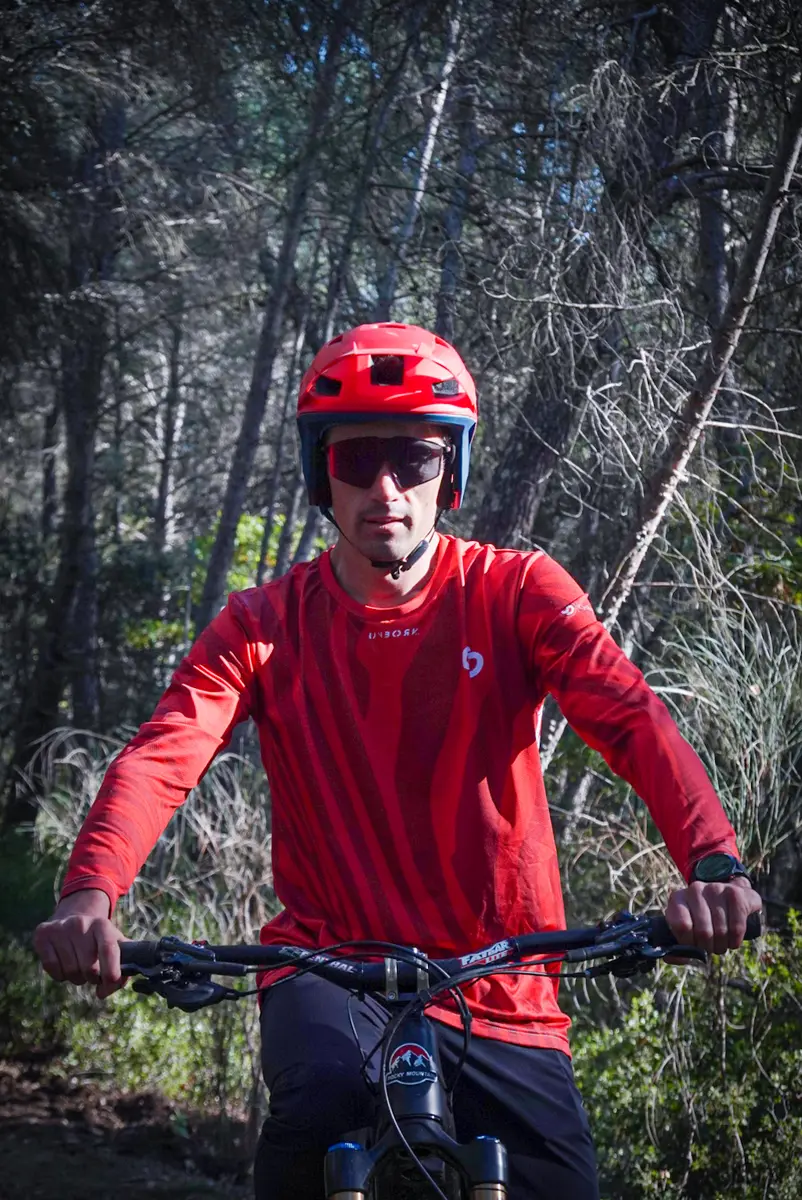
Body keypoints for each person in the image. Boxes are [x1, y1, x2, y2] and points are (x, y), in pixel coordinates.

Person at [34, 323, 762, 1199]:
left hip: (504, 987)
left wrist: (713, 864)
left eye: (413, 459)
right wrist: (90, 894)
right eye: (356, 459)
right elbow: (165, 754)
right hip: (328, 968)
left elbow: (633, 720)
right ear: (322, 474)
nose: (384, 487)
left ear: (449, 471)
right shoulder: (263, 626)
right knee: (323, 1101)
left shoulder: (516, 593)